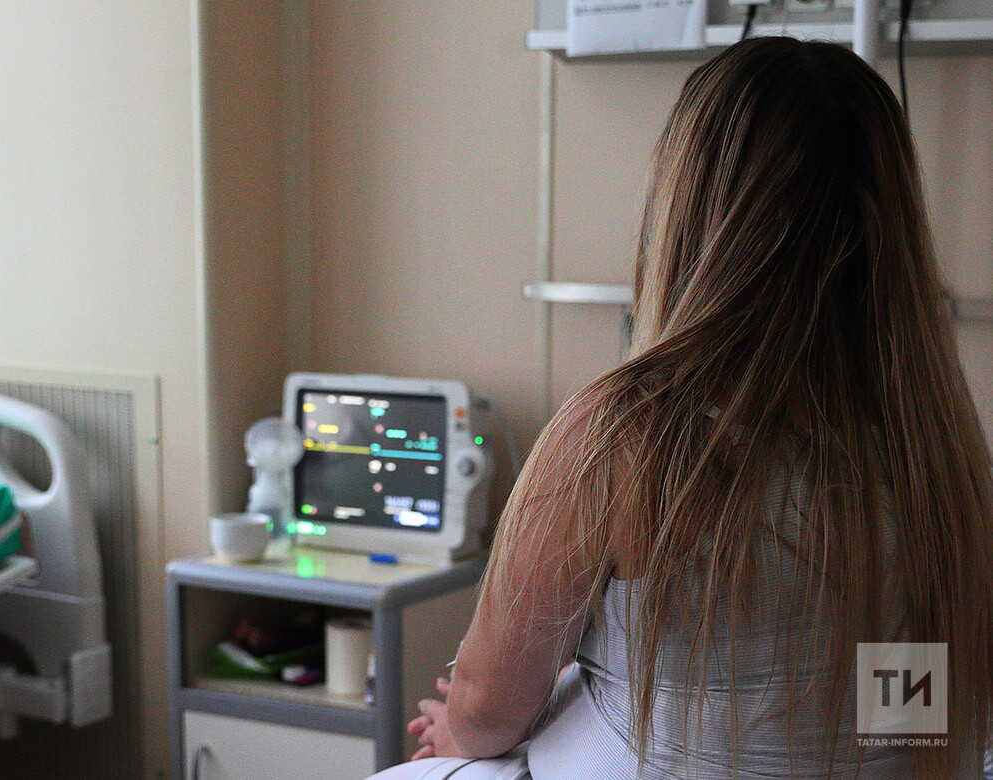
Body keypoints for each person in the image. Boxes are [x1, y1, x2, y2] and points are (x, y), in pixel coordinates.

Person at [370, 36, 993, 779]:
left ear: (688, 216)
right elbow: (897, 720)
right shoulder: (937, 456)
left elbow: (484, 709)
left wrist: (463, 726)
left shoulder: (618, 438)